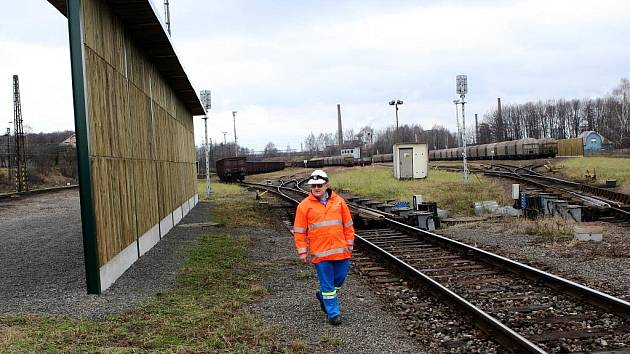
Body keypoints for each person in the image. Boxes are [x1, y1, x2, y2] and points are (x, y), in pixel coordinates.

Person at [293, 169, 355, 325]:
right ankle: (333, 314)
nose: (316, 188)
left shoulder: (339, 202)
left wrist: (349, 245)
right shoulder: (304, 206)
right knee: (328, 285)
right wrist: (302, 251)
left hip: (342, 251)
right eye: (313, 185)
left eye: (319, 185)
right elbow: (299, 231)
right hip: (320, 254)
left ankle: (322, 296)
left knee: (338, 280)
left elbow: (348, 226)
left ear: (327, 185)